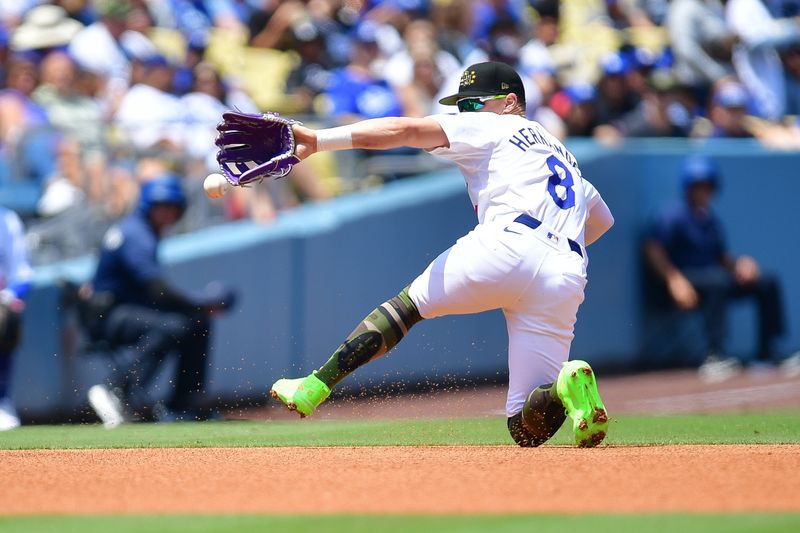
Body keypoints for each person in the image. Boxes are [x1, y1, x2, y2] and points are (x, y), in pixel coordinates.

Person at [267, 61, 615, 448]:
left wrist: (319, 141)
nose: (463, 112)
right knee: (525, 427)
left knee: (407, 308)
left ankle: (314, 386)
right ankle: (564, 387)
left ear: (509, 101)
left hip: (507, 243)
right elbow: (602, 219)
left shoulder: (493, 122)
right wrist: (553, 248)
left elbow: (404, 129)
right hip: (566, 270)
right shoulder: (563, 153)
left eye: (471, 104)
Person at [86, 173, 235, 427]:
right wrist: (197, 303)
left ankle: (184, 404)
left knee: (196, 323)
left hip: (126, 310)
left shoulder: (144, 230)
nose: (167, 213)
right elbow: (157, 289)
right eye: (161, 206)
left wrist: (196, 310)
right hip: (109, 316)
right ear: (148, 207)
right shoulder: (135, 233)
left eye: (172, 207)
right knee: (174, 325)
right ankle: (115, 390)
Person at [643, 155, 789, 381]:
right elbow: (653, 248)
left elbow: (720, 256)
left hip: (712, 281)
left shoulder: (708, 219)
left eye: (708, 186)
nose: (704, 191)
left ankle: (767, 353)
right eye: (698, 186)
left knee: (766, 281)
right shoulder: (673, 214)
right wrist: (674, 280)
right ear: (688, 187)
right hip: (681, 283)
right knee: (717, 281)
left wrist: (739, 265)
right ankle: (714, 356)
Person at [0, 206, 33, 431]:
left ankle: (2, 400)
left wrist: (7, 296)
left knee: (5, 318)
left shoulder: (6, 219)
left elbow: (23, 272)